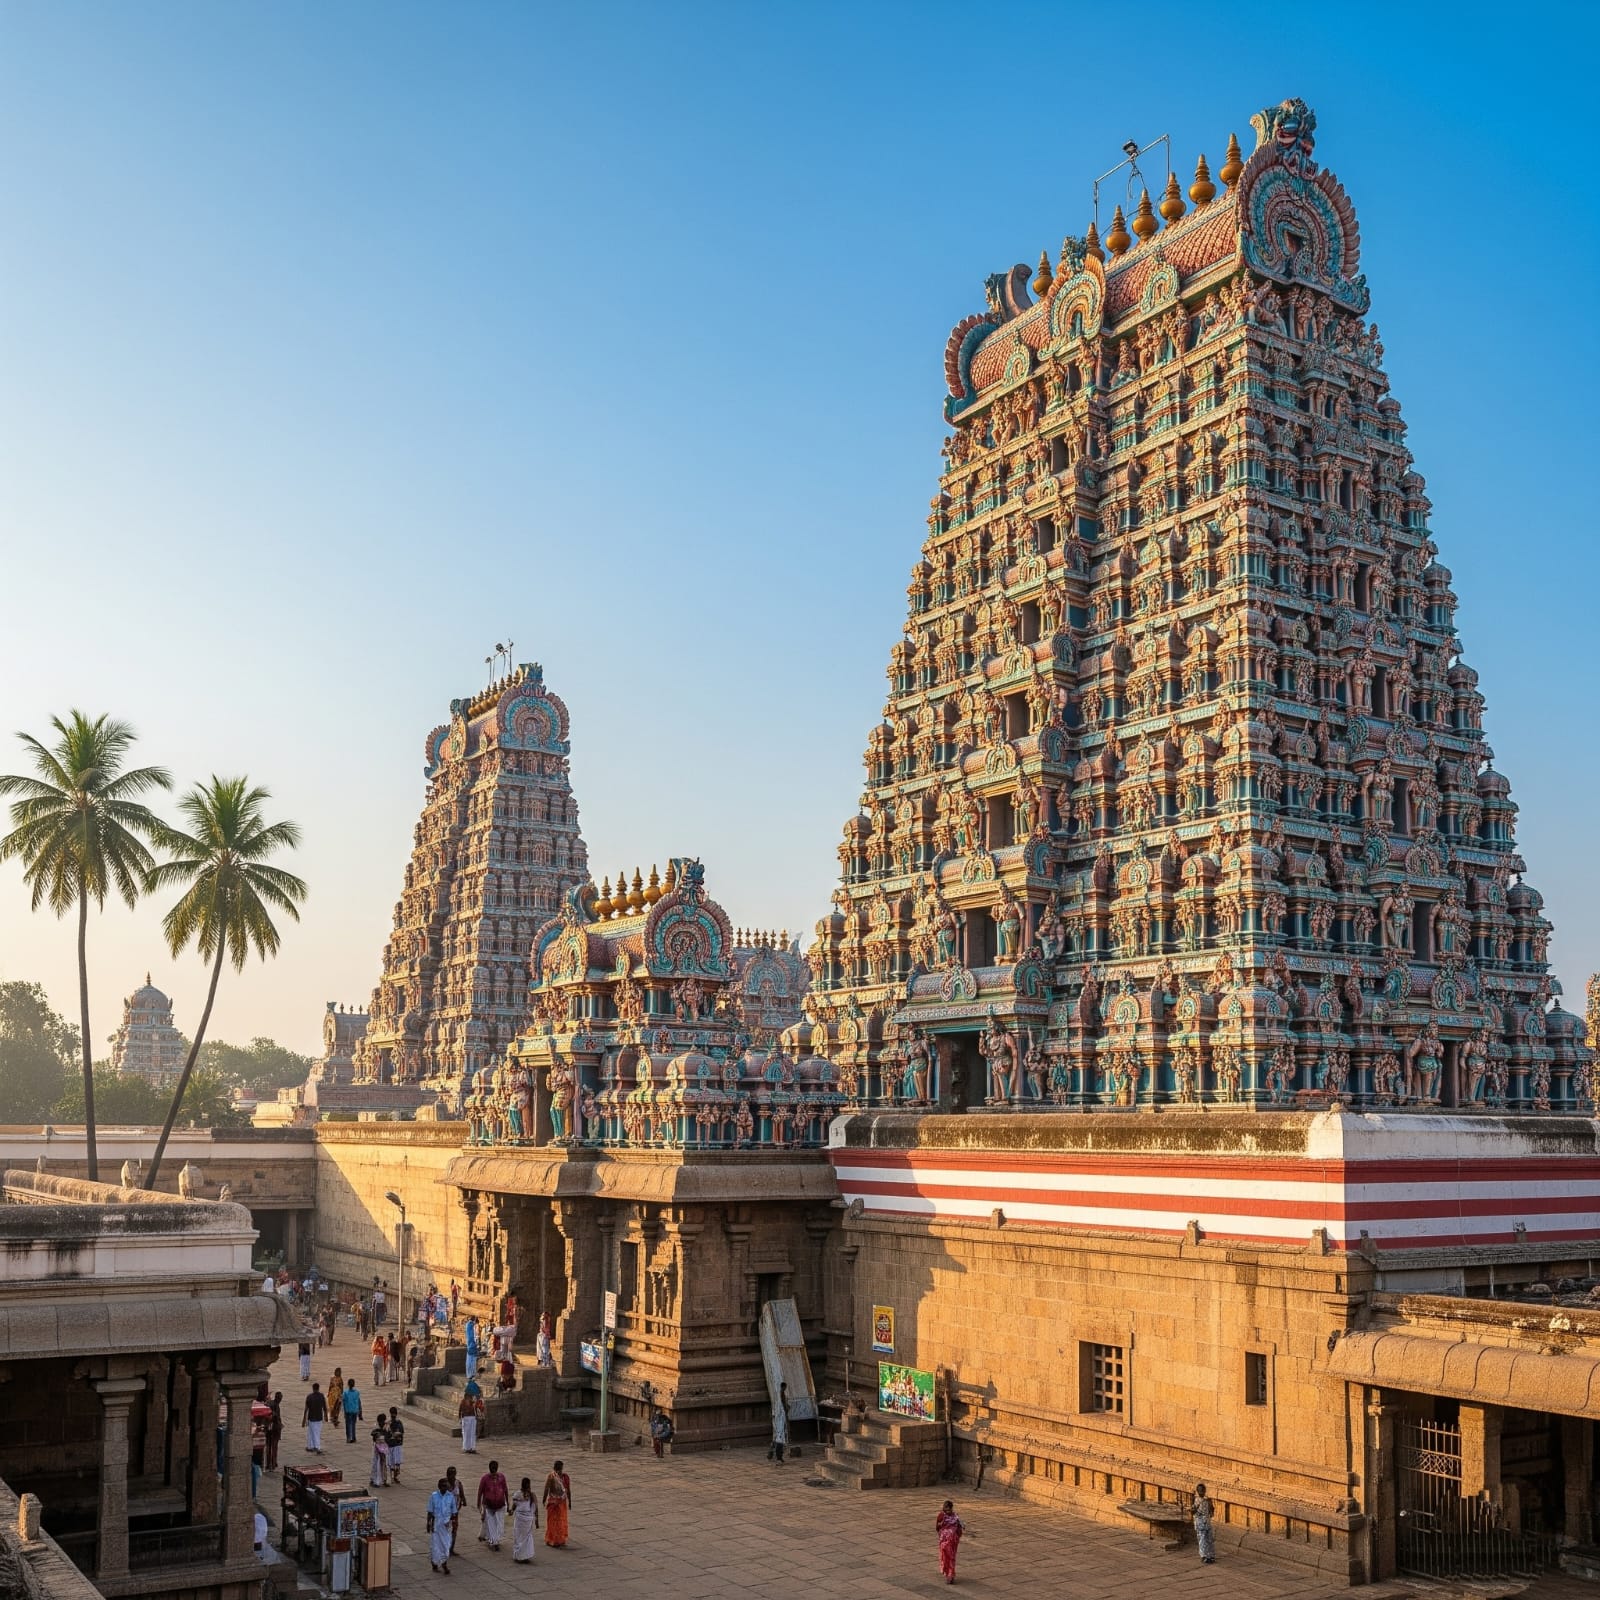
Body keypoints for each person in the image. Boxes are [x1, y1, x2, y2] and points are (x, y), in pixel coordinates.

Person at [477, 1458, 509, 1551]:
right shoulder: (485, 1478)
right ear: (490, 1468)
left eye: (495, 1468)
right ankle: (494, 1542)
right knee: (491, 1524)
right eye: (492, 1468)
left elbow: (505, 1489)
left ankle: (495, 1539)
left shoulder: (502, 1477)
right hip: (488, 1505)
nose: (494, 1470)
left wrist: (508, 1502)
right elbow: (480, 1491)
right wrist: (478, 1503)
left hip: (500, 1504)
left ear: (497, 1468)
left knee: (499, 1524)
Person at [426, 1477, 454, 1574]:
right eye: (443, 1486)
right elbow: (430, 1511)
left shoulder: (450, 1496)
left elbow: (454, 1512)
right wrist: (428, 1523)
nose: (445, 1488)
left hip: (446, 1525)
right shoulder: (433, 1496)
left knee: (446, 1545)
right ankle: (437, 1563)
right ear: (439, 1486)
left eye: (446, 1486)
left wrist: (452, 1521)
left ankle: (443, 1561)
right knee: (436, 1545)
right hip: (436, 1524)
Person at [935, 1499, 966, 1584]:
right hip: (944, 1541)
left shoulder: (955, 1516)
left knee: (951, 1557)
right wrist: (941, 1528)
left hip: (952, 1541)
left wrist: (961, 1526)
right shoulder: (941, 1515)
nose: (947, 1511)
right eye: (946, 1509)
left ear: (952, 1508)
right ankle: (946, 1572)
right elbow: (937, 1527)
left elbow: (961, 1526)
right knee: (945, 1557)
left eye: (949, 1509)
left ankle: (950, 1575)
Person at [542, 1460, 571, 1547]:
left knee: (557, 1521)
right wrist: (570, 1501)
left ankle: (556, 1540)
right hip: (556, 1503)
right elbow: (547, 1489)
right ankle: (554, 1540)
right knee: (557, 1521)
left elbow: (568, 1490)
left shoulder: (560, 1477)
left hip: (559, 1502)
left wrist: (543, 1500)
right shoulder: (554, 1477)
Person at [511, 1476, 539, 1563]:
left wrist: (511, 1511)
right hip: (525, 1519)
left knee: (519, 1537)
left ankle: (521, 1556)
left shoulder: (518, 1494)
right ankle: (523, 1556)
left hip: (522, 1519)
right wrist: (537, 1520)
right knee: (525, 1538)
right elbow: (536, 1508)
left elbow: (514, 1506)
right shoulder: (530, 1494)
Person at [1192, 1482, 1216, 1564]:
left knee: (1209, 1539)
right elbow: (1193, 1511)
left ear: (1205, 1491)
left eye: (1202, 1491)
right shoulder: (1196, 1500)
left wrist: (1211, 1505)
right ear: (1198, 1491)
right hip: (1200, 1523)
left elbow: (1212, 1512)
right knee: (1202, 1540)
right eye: (1200, 1491)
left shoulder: (1208, 1500)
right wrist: (1194, 1509)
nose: (1201, 1492)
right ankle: (1204, 1556)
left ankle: (1211, 1555)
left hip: (1207, 1522)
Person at [458, 1378, 483, 1452]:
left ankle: (469, 1448)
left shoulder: (471, 1401)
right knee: (469, 1434)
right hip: (468, 1418)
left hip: (469, 1418)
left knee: (468, 1434)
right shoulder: (468, 1402)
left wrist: (460, 1418)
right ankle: (469, 1447)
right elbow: (460, 1411)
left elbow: (460, 1411)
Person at [768, 1381, 791, 1464]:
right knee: (780, 1438)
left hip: (777, 1417)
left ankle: (771, 1453)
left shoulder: (776, 1396)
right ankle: (778, 1457)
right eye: (785, 1387)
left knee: (776, 1436)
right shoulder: (781, 1394)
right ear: (783, 1387)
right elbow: (783, 1405)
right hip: (780, 1417)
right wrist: (786, 1409)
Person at [443, 1466, 464, 1554]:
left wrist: (463, 1501)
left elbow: (462, 1494)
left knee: (454, 1529)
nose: (452, 1477)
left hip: (455, 1511)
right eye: (450, 1475)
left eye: (454, 1474)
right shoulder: (444, 1484)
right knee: (445, 1529)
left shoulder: (458, 1483)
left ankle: (451, 1548)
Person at [302, 1383, 326, 1454]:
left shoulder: (309, 1397)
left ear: (313, 1388)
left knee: (311, 1432)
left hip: (311, 1417)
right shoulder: (321, 1396)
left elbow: (306, 1409)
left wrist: (304, 1419)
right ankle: (312, 1446)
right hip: (319, 1417)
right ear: (318, 1388)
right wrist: (326, 1416)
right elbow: (324, 1407)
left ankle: (315, 1447)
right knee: (316, 1432)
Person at [264, 1391, 283, 1472]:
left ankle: (269, 1464)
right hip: (274, 1429)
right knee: (273, 1447)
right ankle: (272, 1464)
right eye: (280, 1398)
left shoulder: (271, 1403)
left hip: (269, 1428)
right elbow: (275, 1417)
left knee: (269, 1447)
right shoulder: (274, 1405)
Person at [386, 1407, 405, 1483]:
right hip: (395, 1444)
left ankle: (394, 1476)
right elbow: (401, 1432)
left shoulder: (394, 1422)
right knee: (395, 1462)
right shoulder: (393, 1422)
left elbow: (401, 1432)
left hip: (394, 1444)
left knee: (394, 1462)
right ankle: (394, 1477)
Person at [341, 1378, 363, 1443]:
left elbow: (343, 1401)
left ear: (348, 1384)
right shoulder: (356, 1392)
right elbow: (359, 1402)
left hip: (348, 1410)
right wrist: (360, 1412)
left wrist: (343, 1411)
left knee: (348, 1425)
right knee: (353, 1424)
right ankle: (353, 1437)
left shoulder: (345, 1392)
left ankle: (348, 1437)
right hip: (355, 1411)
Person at [370, 1423, 390, 1487]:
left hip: (383, 1452)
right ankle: (375, 1481)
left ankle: (384, 1480)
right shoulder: (377, 1431)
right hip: (378, 1453)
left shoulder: (385, 1431)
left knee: (384, 1466)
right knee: (377, 1466)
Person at [464, 1315, 480, 1379]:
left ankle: (469, 1374)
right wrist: (477, 1344)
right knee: (472, 1360)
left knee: (469, 1360)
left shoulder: (468, 1324)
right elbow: (475, 1336)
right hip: (472, 1344)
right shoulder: (473, 1326)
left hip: (469, 1344)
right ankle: (472, 1374)